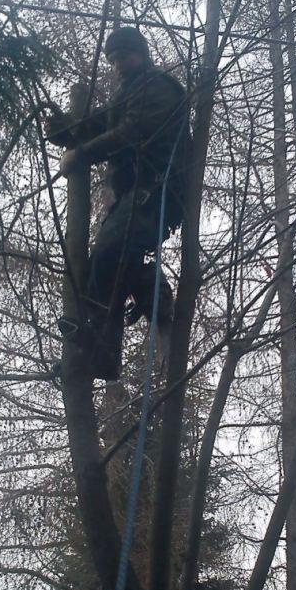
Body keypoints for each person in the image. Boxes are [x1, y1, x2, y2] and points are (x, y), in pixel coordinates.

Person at [44, 26, 190, 380]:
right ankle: (144, 296)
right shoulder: (129, 93)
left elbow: (132, 132)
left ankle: (104, 346)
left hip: (157, 192)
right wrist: (67, 129)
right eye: (112, 60)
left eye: (123, 56)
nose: (118, 65)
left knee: (109, 252)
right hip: (139, 195)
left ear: (141, 53)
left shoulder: (159, 88)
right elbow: (100, 124)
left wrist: (81, 154)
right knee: (108, 264)